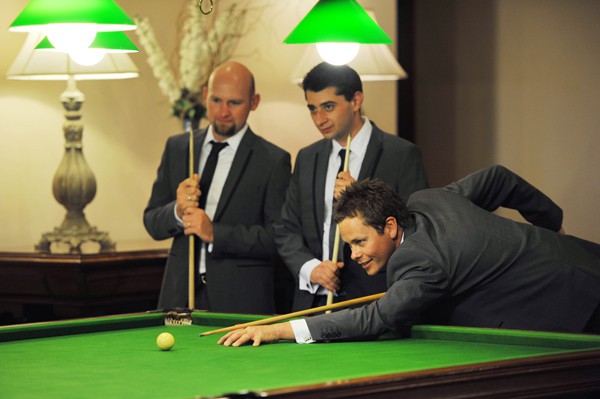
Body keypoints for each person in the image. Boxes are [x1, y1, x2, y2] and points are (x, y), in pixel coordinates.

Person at [218, 165, 600, 346]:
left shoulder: (420, 262)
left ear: (389, 225)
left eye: (360, 242)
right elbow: (499, 178)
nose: (353, 256)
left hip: (576, 307)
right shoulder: (427, 201)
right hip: (585, 258)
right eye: (349, 244)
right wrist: (552, 224)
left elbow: (379, 317)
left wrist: (280, 329)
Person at [274, 62, 429, 311]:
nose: (319, 119)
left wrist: (364, 200)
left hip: (374, 301)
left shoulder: (401, 154)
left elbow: (416, 227)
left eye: (328, 107)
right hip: (313, 300)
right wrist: (311, 268)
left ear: (356, 100)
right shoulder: (307, 157)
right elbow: (286, 228)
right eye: (312, 109)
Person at [144, 61, 291, 314]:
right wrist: (177, 212)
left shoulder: (273, 160)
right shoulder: (178, 147)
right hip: (179, 296)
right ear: (204, 96)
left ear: (254, 102)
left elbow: (277, 238)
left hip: (240, 301)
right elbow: (152, 222)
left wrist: (215, 233)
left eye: (234, 103)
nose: (223, 111)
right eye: (215, 100)